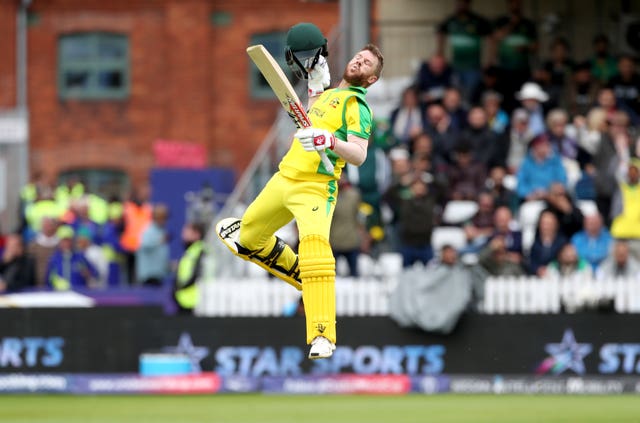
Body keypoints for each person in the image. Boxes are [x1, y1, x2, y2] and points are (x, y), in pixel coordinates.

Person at [216, 24, 383, 359]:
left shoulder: (357, 106)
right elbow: (313, 115)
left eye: (367, 65)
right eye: (358, 58)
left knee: (316, 249)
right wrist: (315, 86)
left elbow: (360, 154)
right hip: (285, 177)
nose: (359, 63)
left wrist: (329, 141)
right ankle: (304, 277)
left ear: (372, 80)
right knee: (245, 239)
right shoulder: (330, 95)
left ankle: (323, 334)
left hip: (316, 187)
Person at [329, 178, 364, 277]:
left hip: (350, 240)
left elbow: (360, 217)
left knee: (353, 274)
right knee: (332, 274)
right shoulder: (329, 196)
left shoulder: (354, 195)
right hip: (335, 241)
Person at [45, 225, 99, 290]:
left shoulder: (80, 257)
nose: (66, 243)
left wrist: (88, 274)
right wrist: (56, 283)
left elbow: (95, 274)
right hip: (60, 296)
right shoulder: (54, 259)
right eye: (63, 241)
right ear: (59, 242)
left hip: (79, 294)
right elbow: (48, 280)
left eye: (68, 240)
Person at [174, 222, 206, 314]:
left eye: (187, 232)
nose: (183, 235)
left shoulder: (201, 250)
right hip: (184, 300)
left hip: (195, 301)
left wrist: (181, 287)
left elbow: (197, 274)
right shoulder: (190, 251)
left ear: (197, 234)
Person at [136, 203, 171, 286]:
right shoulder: (148, 230)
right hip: (148, 277)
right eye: (162, 218)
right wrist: (159, 241)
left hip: (158, 275)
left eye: (165, 218)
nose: (164, 221)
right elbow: (144, 245)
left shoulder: (161, 231)